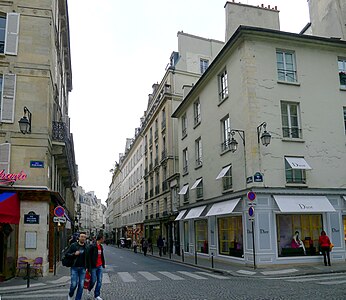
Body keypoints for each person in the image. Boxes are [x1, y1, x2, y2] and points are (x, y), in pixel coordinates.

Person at [66, 232, 87, 300]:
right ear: (79, 237)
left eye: (84, 237)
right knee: (74, 284)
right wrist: (74, 254)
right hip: (74, 267)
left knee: (81, 285)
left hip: (83, 268)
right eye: (82, 236)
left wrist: (89, 268)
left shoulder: (87, 247)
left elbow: (89, 257)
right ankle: (70, 294)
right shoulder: (74, 245)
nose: (83, 238)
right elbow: (67, 254)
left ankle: (78, 299)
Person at [87, 233, 106, 300]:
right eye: (103, 238)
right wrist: (89, 268)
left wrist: (103, 264)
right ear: (100, 239)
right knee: (93, 280)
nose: (104, 239)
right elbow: (88, 257)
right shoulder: (92, 246)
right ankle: (89, 288)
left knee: (100, 281)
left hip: (100, 266)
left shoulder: (101, 246)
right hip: (93, 266)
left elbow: (102, 256)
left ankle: (96, 295)